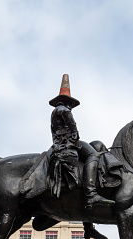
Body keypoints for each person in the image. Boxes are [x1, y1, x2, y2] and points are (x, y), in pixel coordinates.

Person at [49, 75, 115, 210]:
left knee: (96, 145)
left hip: (62, 144)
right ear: (66, 102)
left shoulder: (55, 112)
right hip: (66, 145)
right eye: (71, 103)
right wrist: (75, 138)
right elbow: (74, 131)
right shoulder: (63, 110)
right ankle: (91, 193)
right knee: (94, 154)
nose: (72, 107)